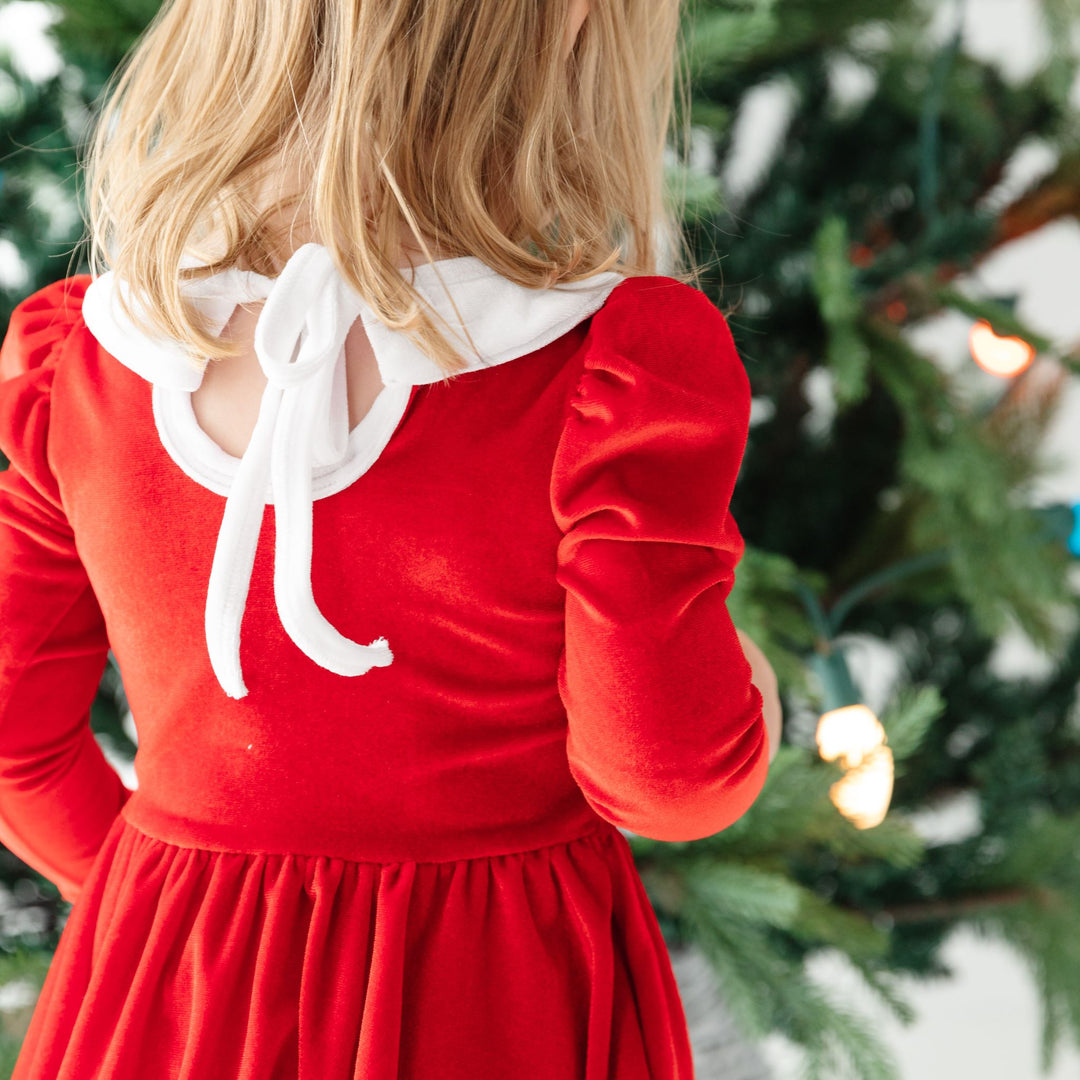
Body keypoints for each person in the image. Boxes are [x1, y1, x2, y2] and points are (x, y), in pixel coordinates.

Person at [0, 0, 783, 1075]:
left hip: (165, 1001)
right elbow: (665, 777)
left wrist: (164, 897)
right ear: (574, 30)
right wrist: (762, 689)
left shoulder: (82, 363)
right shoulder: (611, 371)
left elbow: (13, 736)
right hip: (501, 999)